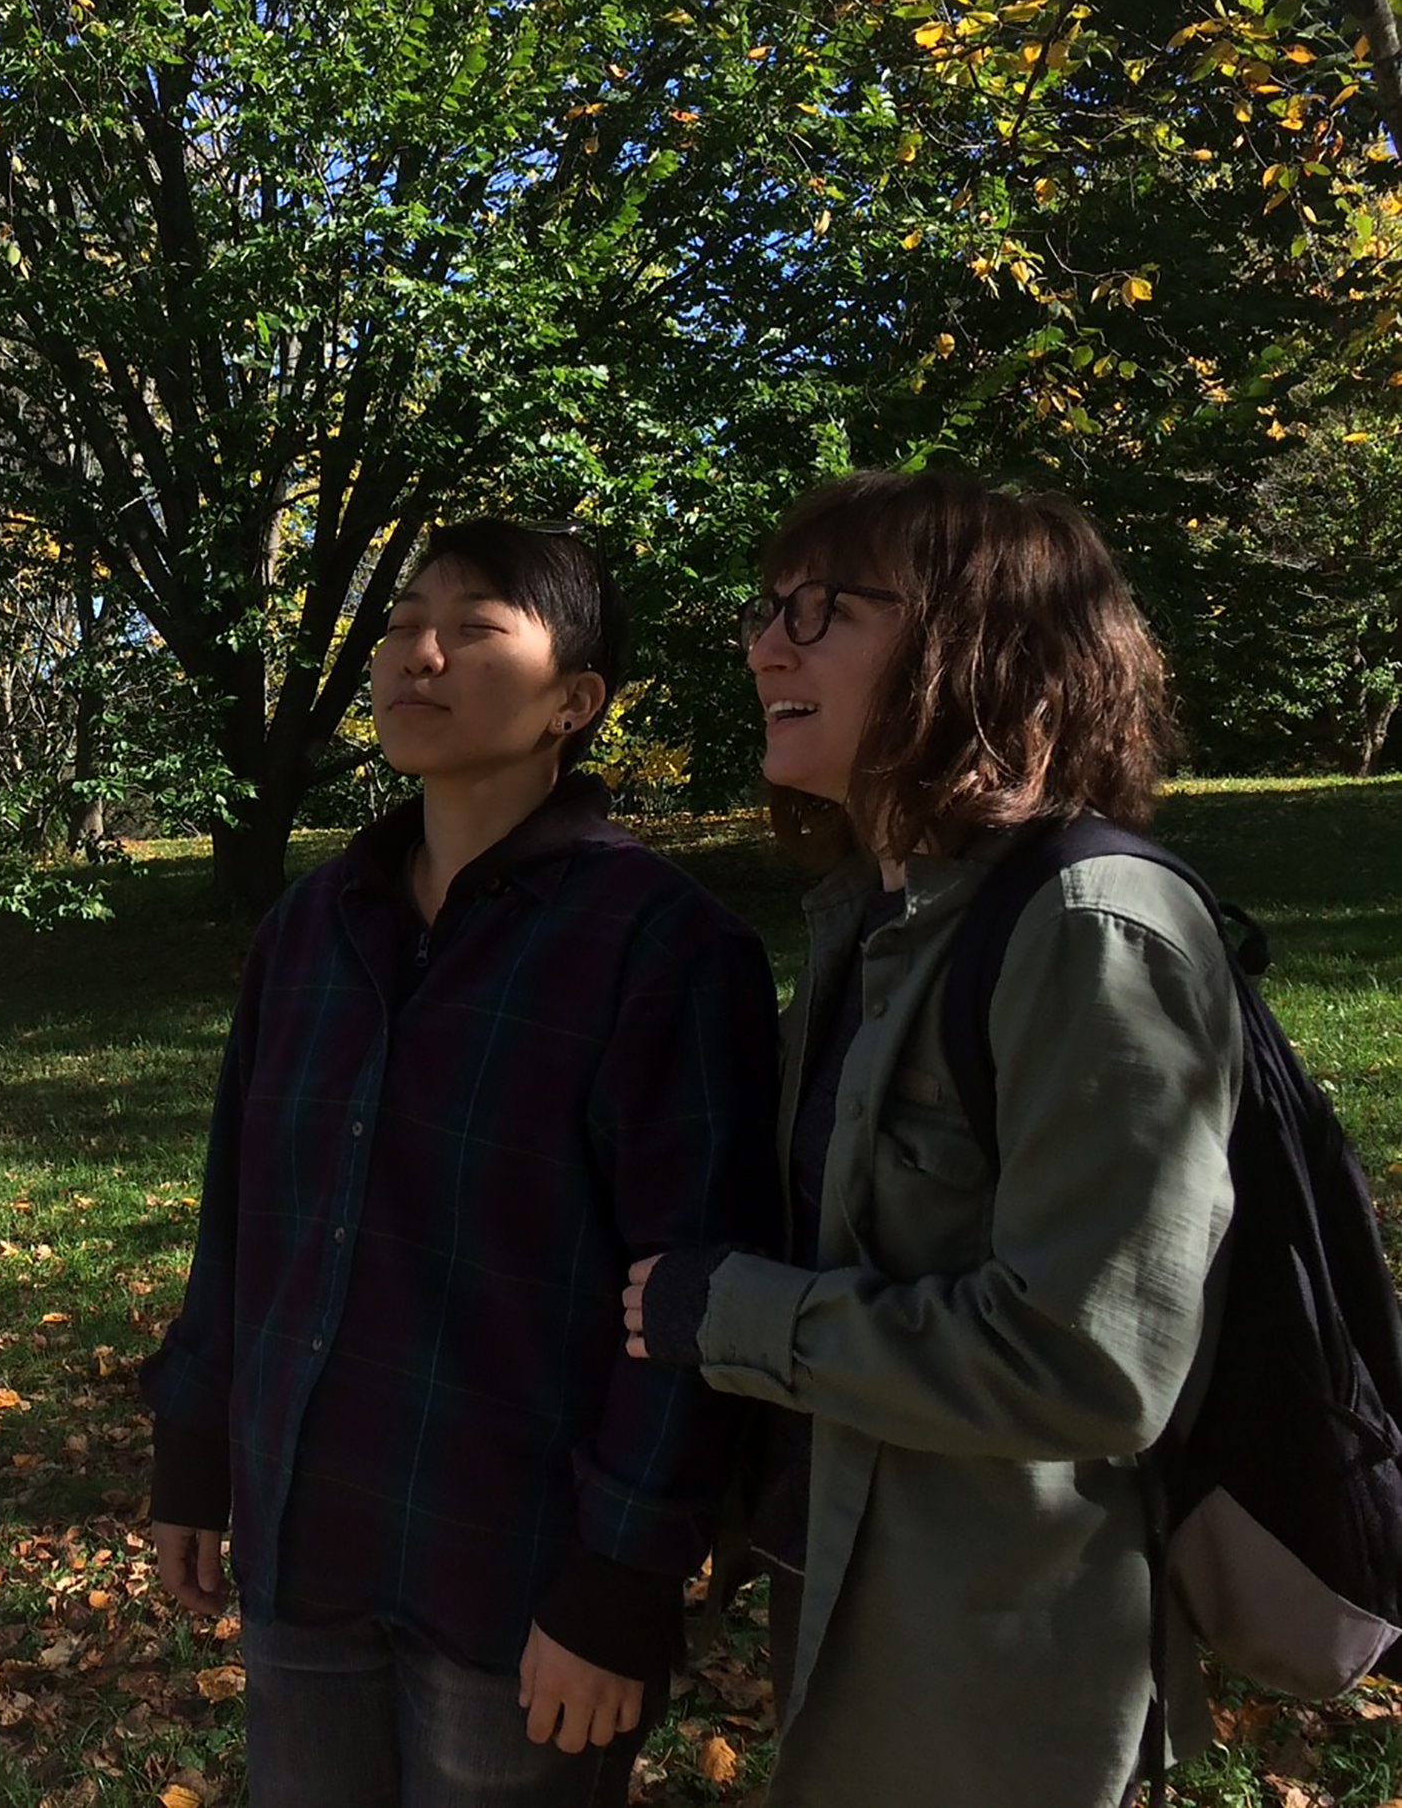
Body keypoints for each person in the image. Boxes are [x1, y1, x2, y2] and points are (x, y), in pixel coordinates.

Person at [140, 518, 782, 1807]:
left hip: (521, 1574)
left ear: (575, 701)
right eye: (399, 625)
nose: (415, 655)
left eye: (476, 626)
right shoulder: (313, 928)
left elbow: (696, 1288)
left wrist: (625, 1578)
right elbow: (244, 1215)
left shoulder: (661, 947)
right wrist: (196, 1449)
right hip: (306, 1535)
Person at [623, 469, 1239, 1807]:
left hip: (997, 1681)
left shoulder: (1092, 929)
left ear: (981, 641)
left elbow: (1093, 1361)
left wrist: (733, 1317)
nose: (764, 643)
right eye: (766, 608)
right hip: (845, 1610)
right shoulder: (864, 922)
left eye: (823, 610)